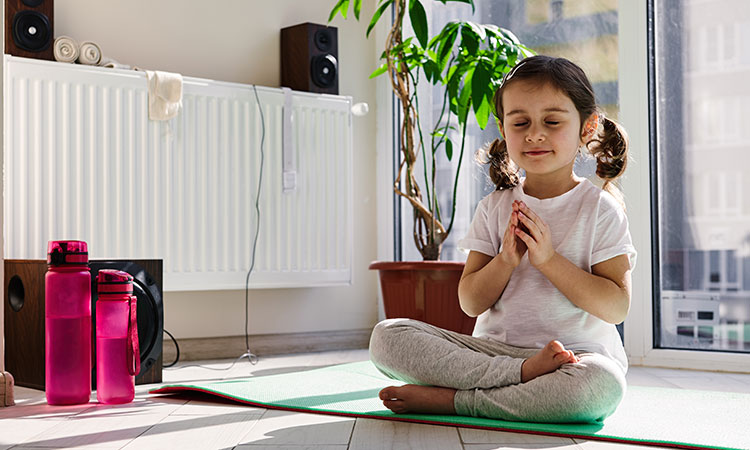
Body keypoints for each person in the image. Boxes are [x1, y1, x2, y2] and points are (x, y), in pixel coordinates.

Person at [369, 55, 636, 423]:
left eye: (552, 122)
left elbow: (616, 307)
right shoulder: (494, 207)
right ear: (503, 128)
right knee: (387, 336)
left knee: (599, 388)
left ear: (587, 127)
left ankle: (455, 402)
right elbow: (471, 303)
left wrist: (548, 260)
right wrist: (506, 261)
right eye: (520, 122)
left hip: (575, 358)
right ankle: (521, 378)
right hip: (491, 355)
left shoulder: (600, 210)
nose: (534, 134)